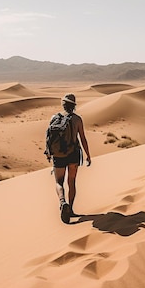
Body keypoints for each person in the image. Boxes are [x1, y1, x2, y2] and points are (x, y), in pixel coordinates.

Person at [48, 93, 91, 222]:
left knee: (58, 182)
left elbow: (49, 138)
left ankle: (62, 202)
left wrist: (49, 154)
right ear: (74, 106)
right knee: (71, 182)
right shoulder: (77, 119)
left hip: (58, 155)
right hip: (73, 154)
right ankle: (70, 209)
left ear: (63, 104)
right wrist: (88, 155)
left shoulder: (54, 118)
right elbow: (82, 138)